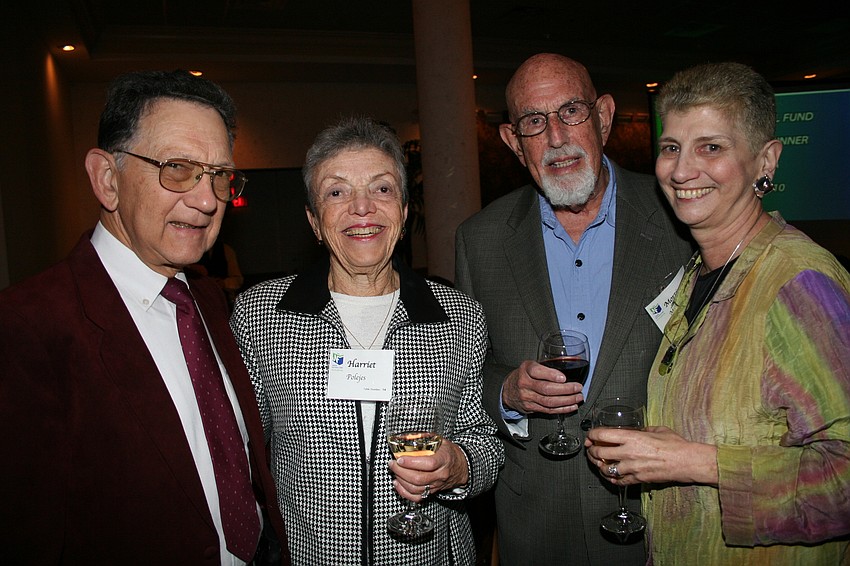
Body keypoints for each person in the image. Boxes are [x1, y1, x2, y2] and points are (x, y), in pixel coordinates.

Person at [0, 69, 288, 565]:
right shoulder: (26, 328)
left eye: (219, 175)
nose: (207, 200)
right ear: (108, 180)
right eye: (177, 167)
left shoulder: (209, 298)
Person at [586, 62, 850, 564]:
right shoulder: (698, 274)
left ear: (765, 161)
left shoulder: (799, 282)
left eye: (712, 147)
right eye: (671, 148)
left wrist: (693, 462)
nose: (682, 171)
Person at [230, 115, 504, 565]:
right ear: (314, 221)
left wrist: (460, 466)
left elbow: (487, 443)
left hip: (430, 554)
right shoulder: (261, 315)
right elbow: (240, 452)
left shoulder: (458, 316)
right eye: (337, 192)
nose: (362, 208)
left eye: (381, 189)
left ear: (403, 210)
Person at [454, 53, 693, 565]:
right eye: (534, 122)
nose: (557, 138)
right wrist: (506, 390)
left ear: (604, 117)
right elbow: (468, 369)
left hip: (657, 516)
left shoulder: (680, 219)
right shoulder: (481, 240)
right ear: (514, 143)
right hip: (537, 524)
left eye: (571, 112)